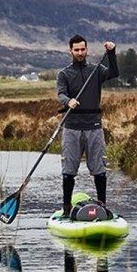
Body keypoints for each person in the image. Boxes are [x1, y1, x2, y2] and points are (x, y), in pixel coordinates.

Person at [57, 35, 119, 217]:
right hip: (72, 128)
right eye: (76, 50)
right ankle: (67, 208)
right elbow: (61, 94)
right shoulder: (64, 74)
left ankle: (103, 205)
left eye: (82, 49)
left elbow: (114, 73)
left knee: (99, 170)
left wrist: (111, 53)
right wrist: (68, 101)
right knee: (69, 171)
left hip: (94, 126)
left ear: (87, 50)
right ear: (71, 51)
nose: (80, 53)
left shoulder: (96, 70)